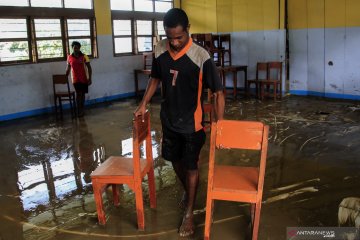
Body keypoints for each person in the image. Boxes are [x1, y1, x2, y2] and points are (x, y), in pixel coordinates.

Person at [134, 8, 225, 237]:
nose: (174, 42)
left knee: (191, 165)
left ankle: (189, 212)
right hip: (169, 120)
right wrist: (144, 102)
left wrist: (220, 123)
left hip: (193, 125)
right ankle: (190, 190)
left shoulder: (201, 56)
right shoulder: (160, 51)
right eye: (170, 37)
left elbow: (219, 92)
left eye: (179, 37)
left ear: (188, 31)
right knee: (174, 161)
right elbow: (155, 78)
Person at [65, 41, 92, 117]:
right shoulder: (69, 57)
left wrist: (90, 78)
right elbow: (68, 68)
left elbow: (89, 68)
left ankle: (82, 109)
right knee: (78, 94)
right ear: (72, 48)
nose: (75, 49)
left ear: (79, 48)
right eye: (74, 48)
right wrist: (66, 73)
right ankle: (79, 110)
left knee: (83, 94)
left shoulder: (84, 56)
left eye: (77, 48)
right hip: (75, 79)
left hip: (84, 78)